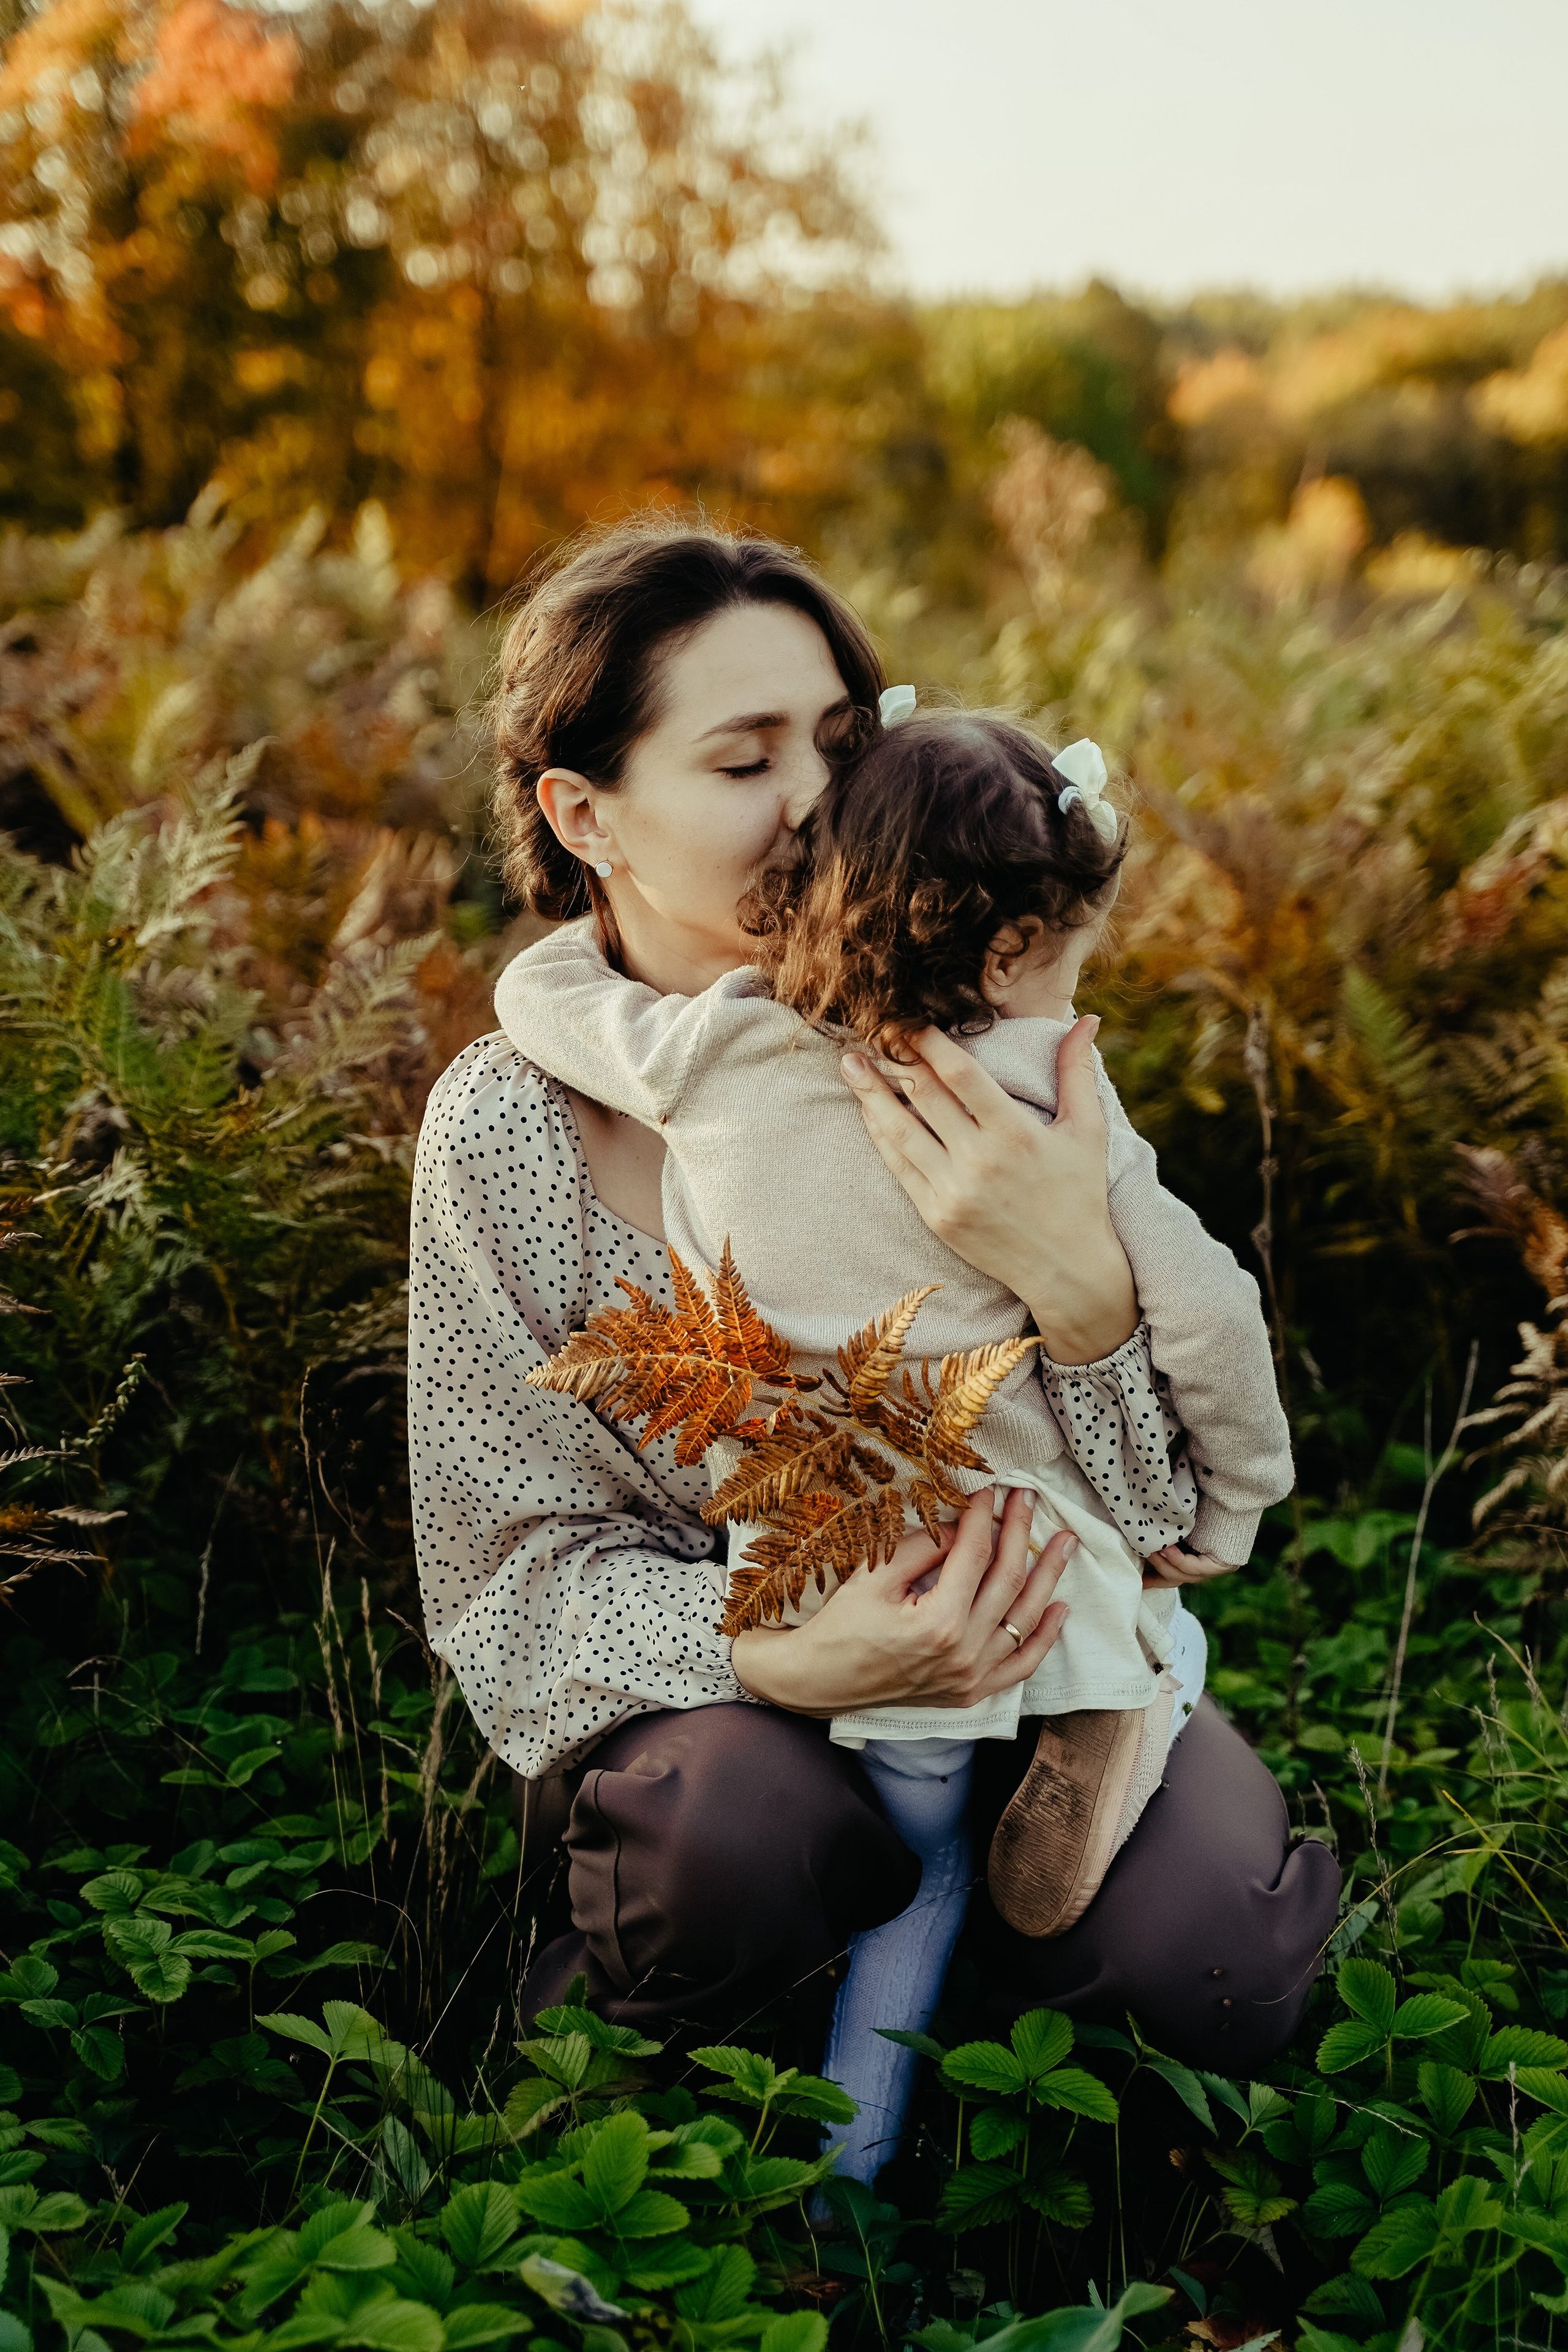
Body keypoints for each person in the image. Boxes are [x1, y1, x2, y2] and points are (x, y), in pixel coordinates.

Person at [408, 518, 1341, 2183]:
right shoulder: (507, 1127)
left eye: (841, 746)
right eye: (741, 756)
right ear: (585, 812)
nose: (812, 801)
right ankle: (658, 2090)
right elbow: (506, 1575)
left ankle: (977, 1984)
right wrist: (773, 1653)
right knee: (741, 1840)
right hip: (717, 1723)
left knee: (1218, 1955)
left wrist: (1081, 1294)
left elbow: (1175, 1515)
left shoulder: (969, 1050)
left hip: (1033, 1667)